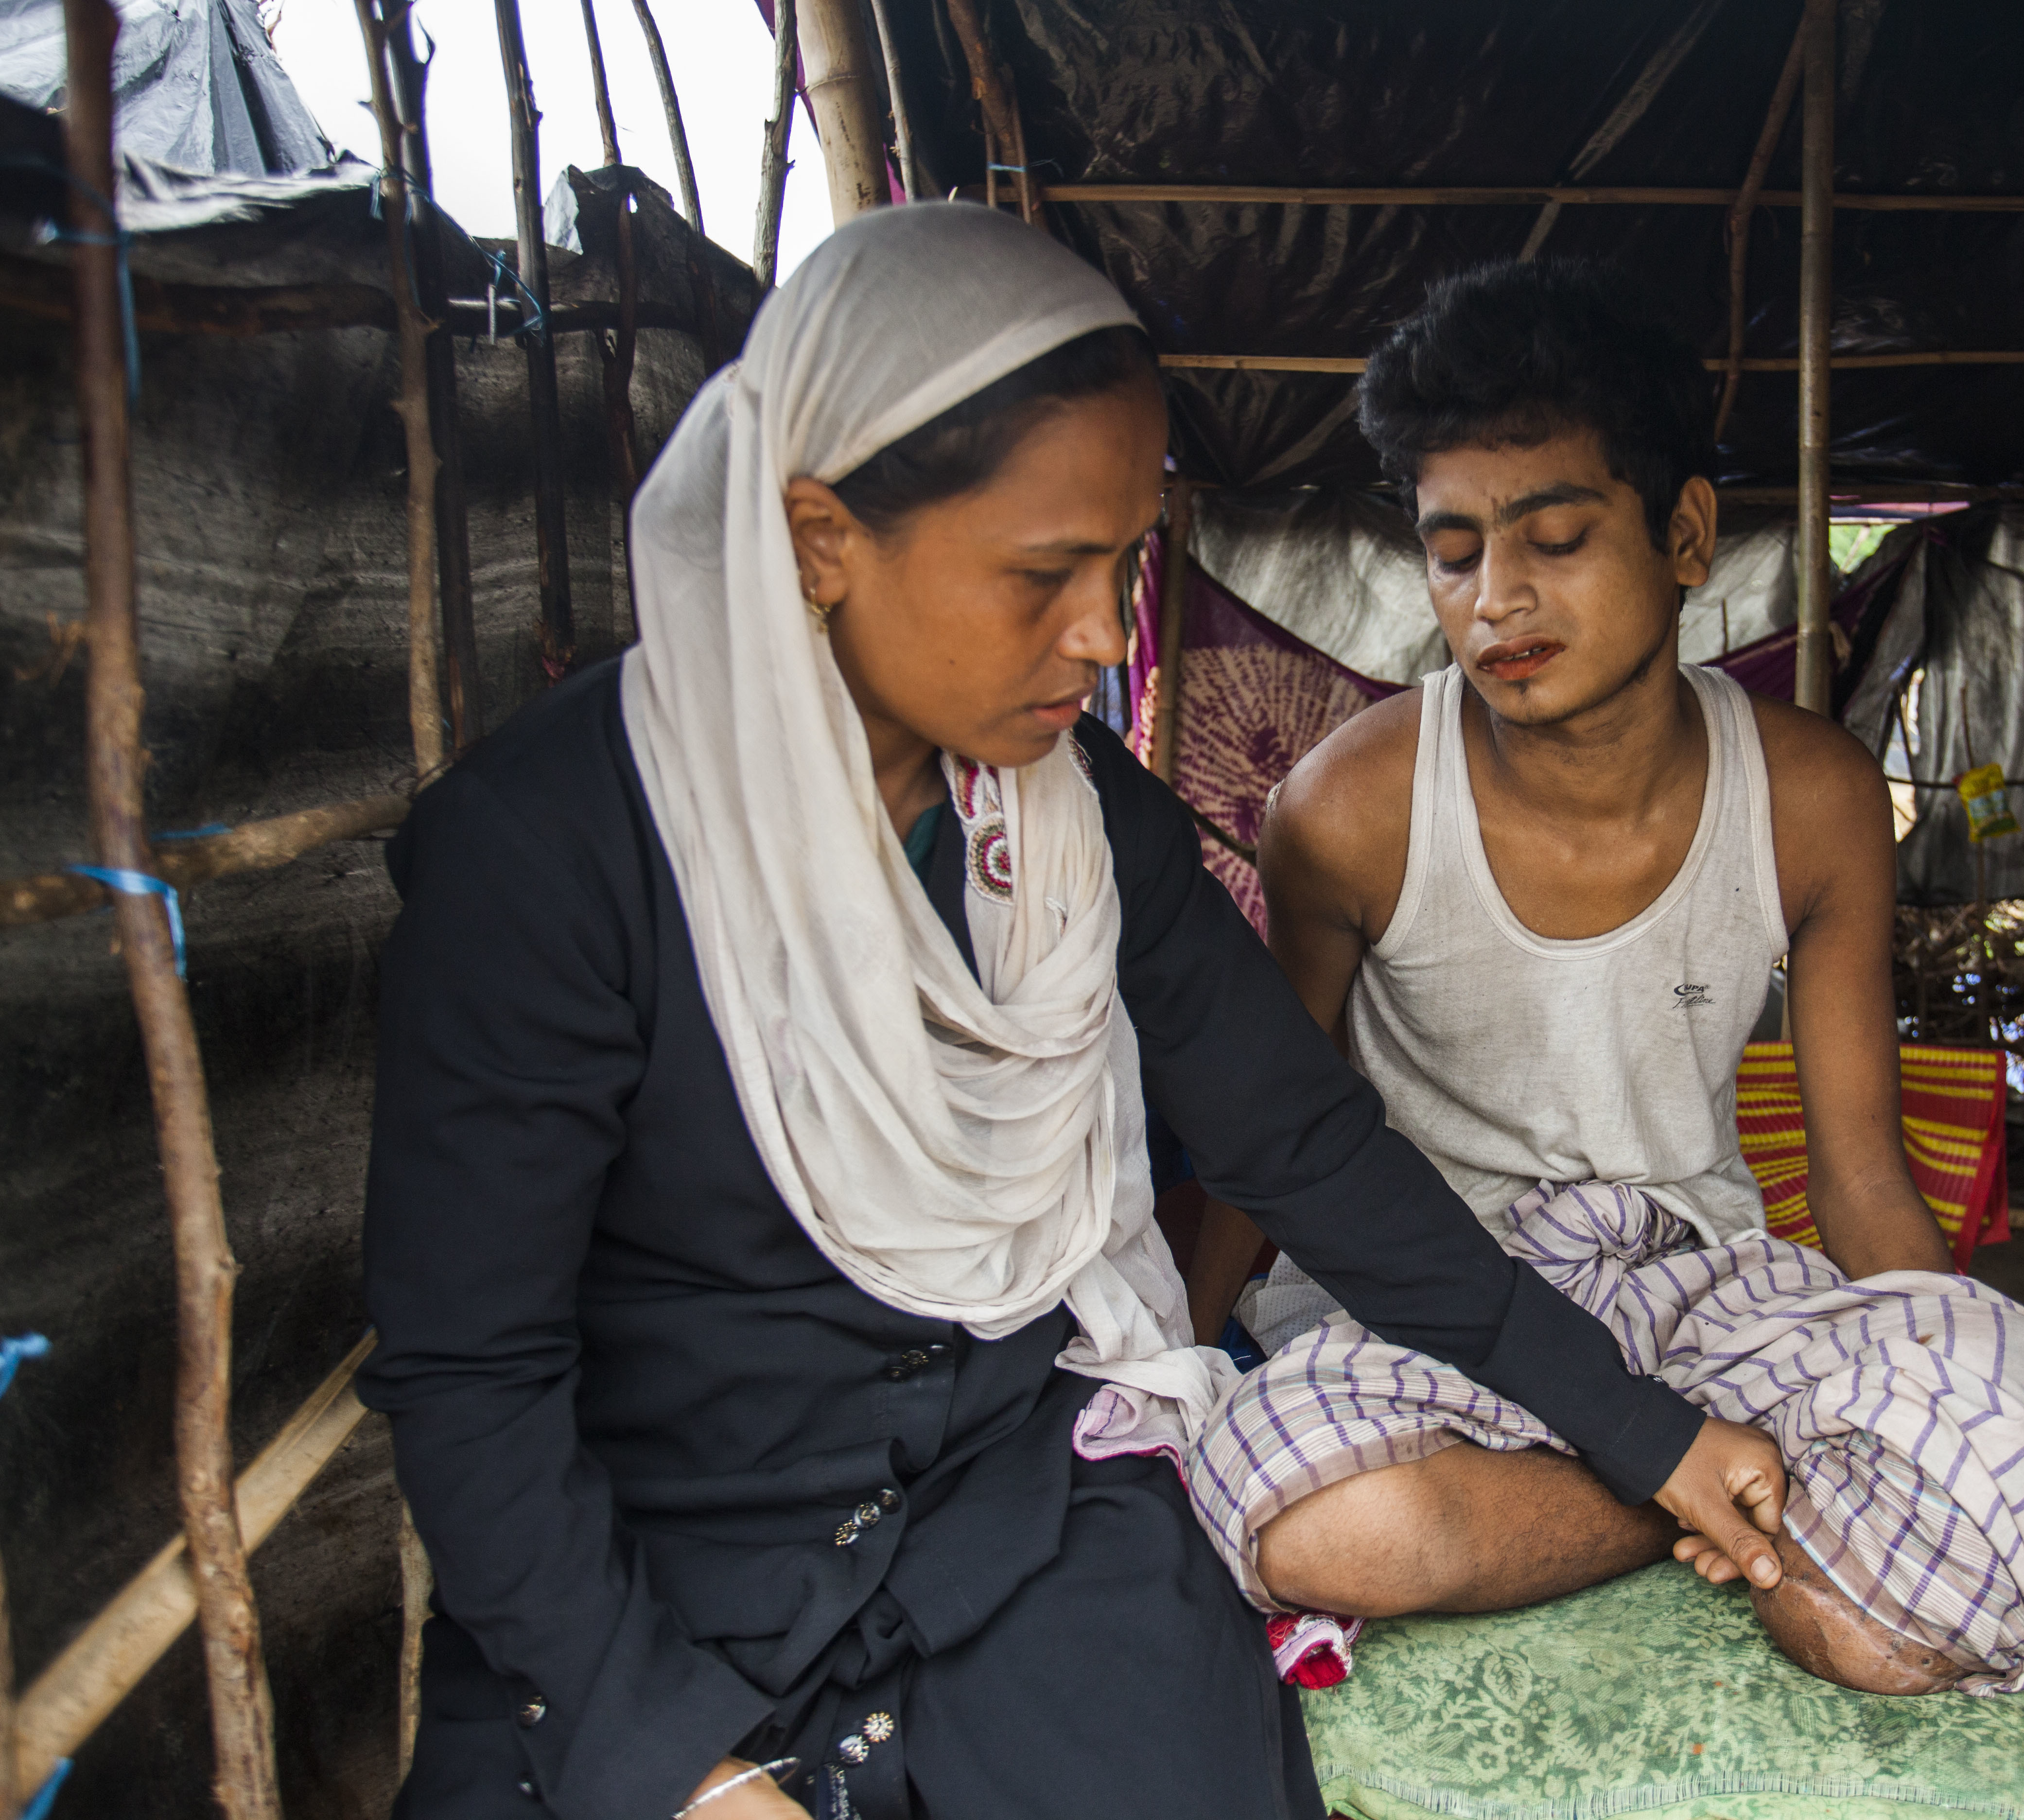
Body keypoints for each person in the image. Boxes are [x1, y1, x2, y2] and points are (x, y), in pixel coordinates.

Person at [359, 209, 1799, 1820]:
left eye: (1121, 567)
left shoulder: (1077, 819)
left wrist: (1638, 1424)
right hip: (655, 1574)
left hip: (1015, 1532)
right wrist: (673, 1769)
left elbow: (1308, 1148)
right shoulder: (549, 856)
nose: (1108, 638)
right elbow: (472, 1375)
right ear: (821, 538)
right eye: (1047, 575)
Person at [1181, 259, 2024, 1697]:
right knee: (1325, 1529)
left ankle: (1708, 1478)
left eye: (1559, 536)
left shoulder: (1812, 797)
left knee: (1910, 1610)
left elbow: (1859, 1184)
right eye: (1453, 550)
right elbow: (1263, 1146)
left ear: (1689, 533)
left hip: (1701, 1292)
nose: (1497, 598)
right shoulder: (1348, 812)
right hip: (1439, 1304)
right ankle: (1708, 1493)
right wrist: (1176, 1361)